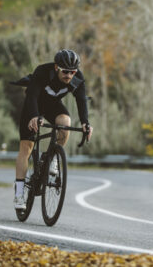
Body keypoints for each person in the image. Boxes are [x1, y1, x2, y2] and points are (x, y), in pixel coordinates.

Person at [13, 49, 93, 209]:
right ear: (56, 67)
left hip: (52, 106)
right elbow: (32, 96)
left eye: (72, 72)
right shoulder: (43, 72)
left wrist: (85, 122)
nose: (69, 76)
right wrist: (34, 116)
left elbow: (81, 101)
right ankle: (19, 194)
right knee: (26, 148)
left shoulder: (77, 78)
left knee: (65, 121)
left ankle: (54, 157)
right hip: (33, 105)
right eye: (65, 72)